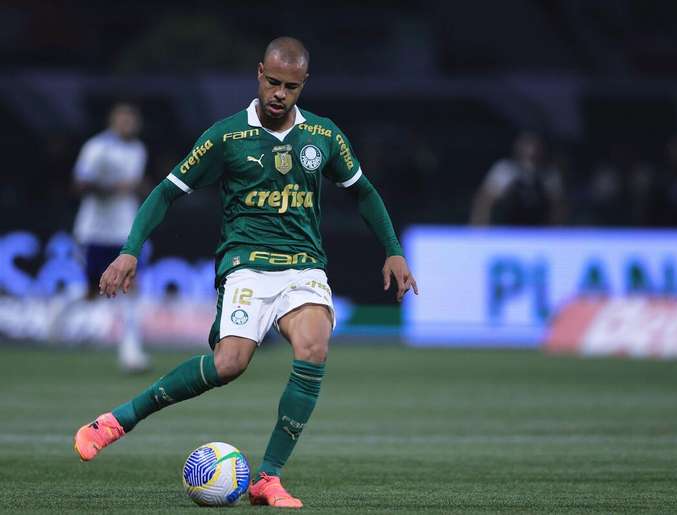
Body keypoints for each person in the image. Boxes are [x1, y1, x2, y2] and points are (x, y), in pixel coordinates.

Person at [73, 37, 418, 509]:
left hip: (303, 266)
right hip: (246, 266)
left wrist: (393, 251)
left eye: (290, 86)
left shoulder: (324, 136)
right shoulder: (226, 137)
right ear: (259, 74)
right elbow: (165, 192)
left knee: (314, 347)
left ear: (303, 85)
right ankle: (117, 420)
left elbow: (364, 192)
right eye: (272, 82)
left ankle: (267, 478)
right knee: (228, 365)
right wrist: (130, 251)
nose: (279, 93)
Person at [72, 102, 149, 372]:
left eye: (132, 119)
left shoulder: (138, 149)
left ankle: (131, 351)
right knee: (92, 291)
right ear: (112, 121)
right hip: (94, 229)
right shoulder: (97, 148)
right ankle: (71, 326)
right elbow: (80, 183)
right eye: (123, 119)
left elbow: (134, 184)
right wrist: (108, 186)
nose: (128, 124)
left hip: (124, 229)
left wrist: (130, 188)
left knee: (130, 286)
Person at [469, 131, 564, 226]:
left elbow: (558, 206)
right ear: (518, 148)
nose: (531, 151)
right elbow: (484, 202)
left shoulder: (549, 173)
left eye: (535, 148)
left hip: (540, 230)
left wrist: (555, 232)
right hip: (509, 229)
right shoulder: (504, 169)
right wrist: (479, 232)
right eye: (526, 147)